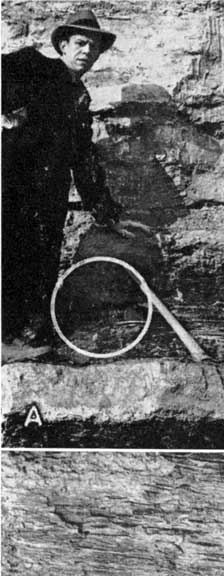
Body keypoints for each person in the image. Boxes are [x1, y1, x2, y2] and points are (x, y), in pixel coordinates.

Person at [2, 8, 144, 359]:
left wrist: (107, 213)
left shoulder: (79, 100)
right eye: (80, 43)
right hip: (11, 188)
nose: (87, 52)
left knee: (41, 264)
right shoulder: (34, 66)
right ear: (63, 45)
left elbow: (83, 161)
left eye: (94, 48)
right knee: (9, 258)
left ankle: (23, 343)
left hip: (48, 200)